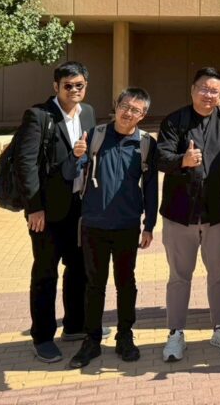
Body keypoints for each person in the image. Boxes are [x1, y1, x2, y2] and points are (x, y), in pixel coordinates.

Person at [156, 67, 220, 362]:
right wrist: (182, 160)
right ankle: (175, 333)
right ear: (193, 90)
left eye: (214, 91)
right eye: (204, 89)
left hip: (218, 214)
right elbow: (160, 158)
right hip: (180, 214)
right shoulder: (174, 121)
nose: (208, 95)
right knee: (179, 276)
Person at [67, 88, 158, 368]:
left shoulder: (145, 144)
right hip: (93, 224)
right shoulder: (95, 136)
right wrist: (77, 156)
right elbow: (73, 173)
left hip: (127, 226)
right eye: (124, 106)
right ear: (115, 105)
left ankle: (125, 335)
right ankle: (91, 339)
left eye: (135, 110)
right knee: (94, 285)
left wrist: (149, 225)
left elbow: (151, 187)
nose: (128, 113)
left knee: (125, 283)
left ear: (143, 115)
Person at [15, 61, 97, 363]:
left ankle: (74, 325)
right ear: (56, 87)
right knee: (46, 273)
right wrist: (34, 208)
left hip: (79, 206)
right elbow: (26, 165)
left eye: (79, 85)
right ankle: (43, 337)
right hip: (47, 211)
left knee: (78, 267)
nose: (74, 90)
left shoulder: (88, 113)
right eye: (68, 85)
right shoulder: (38, 116)